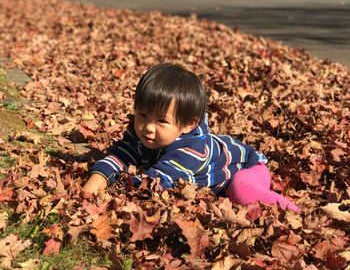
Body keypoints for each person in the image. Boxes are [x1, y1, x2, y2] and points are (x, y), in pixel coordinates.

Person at [83, 63, 300, 212]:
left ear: (188, 124)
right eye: (142, 115)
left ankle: (293, 211)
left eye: (161, 121)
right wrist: (99, 177)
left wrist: (113, 195)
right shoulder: (140, 129)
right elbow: (122, 153)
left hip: (248, 168)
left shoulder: (192, 150)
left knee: (239, 191)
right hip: (215, 175)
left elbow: (155, 182)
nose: (148, 127)